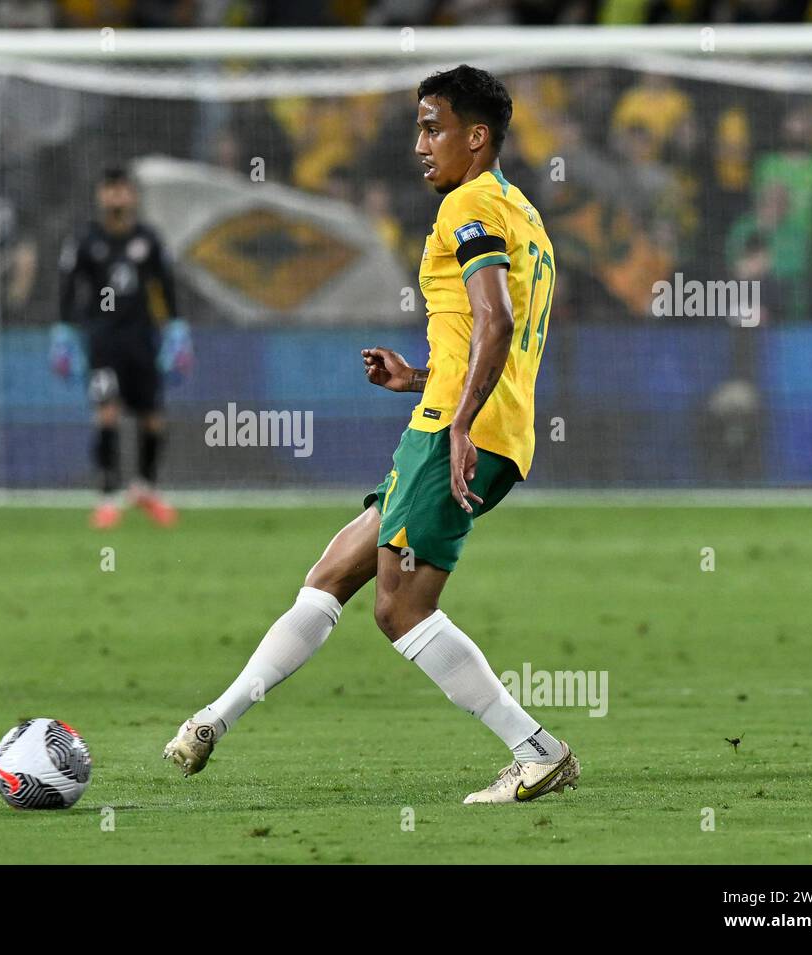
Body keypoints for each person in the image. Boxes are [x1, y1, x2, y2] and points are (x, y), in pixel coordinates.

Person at [164, 67, 578, 804]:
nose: (419, 143)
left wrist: (455, 422)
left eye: (433, 126)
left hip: (462, 430)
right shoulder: (523, 213)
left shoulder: (470, 204)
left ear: (476, 137)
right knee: (332, 573)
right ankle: (210, 723)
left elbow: (497, 322)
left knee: (401, 609)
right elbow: (491, 341)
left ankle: (537, 748)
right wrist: (420, 377)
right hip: (472, 419)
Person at [54, 167, 188, 529]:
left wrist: (176, 328)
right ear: (101, 195)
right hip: (103, 340)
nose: (117, 197)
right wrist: (64, 332)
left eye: (123, 191)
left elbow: (167, 285)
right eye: (110, 190)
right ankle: (108, 495)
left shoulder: (149, 239)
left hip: (142, 338)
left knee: (153, 416)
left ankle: (145, 488)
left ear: (133, 196)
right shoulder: (85, 240)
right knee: (106, 413)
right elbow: (68, 288)